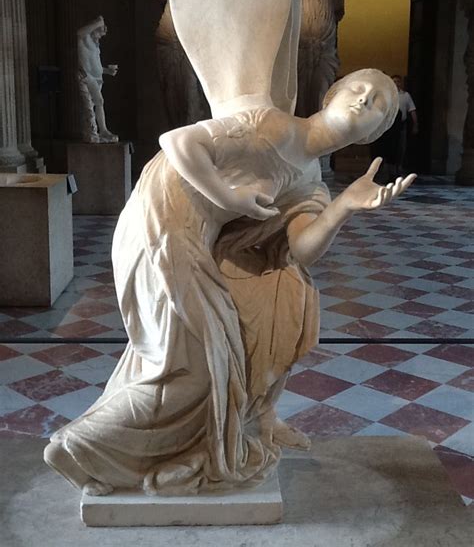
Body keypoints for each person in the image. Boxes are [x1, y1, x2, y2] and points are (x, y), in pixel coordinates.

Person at [43, 67, 415, 497]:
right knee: (198, 367)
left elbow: (300, 250)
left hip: (195, 241)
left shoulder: (310, 180)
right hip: (162, 222)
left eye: (379, 104)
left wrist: (344, 207)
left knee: (223, 345)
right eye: (357, 89)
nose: (365, 100)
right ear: (330, 95)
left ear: (379, 129)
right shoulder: (270, 125)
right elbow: (178, 141)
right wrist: (228, 197)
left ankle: (123, 451)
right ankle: (84, 448)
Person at [155, 0, 209, 127]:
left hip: (191, 28)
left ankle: (191, 127)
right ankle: (175, 127)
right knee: (171, 87)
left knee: (191, 88)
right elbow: (161, 2)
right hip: (169, 29)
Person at [77, 16, 119, 143]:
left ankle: (96, 131)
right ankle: (99, 130)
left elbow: (96, 65)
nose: (101, 35)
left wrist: (107, 71)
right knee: (97, 102)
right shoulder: (83, 38)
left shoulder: (95, 45)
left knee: (93, 105)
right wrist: (98, 22)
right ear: (94, 29)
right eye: (100, 32)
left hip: (96, 78)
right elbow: (78, 33)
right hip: (86, 76)